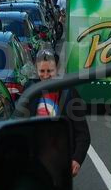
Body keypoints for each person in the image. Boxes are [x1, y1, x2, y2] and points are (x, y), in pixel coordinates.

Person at [33, 49, 90, 177]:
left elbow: (83, 134)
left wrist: (77, 159)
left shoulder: (69, 94)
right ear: (36, 71)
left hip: (60, 165)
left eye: (50, 71)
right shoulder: (30, 92)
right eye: (42, 71)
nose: (46, 75)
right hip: (35, 164)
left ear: (57, 70)